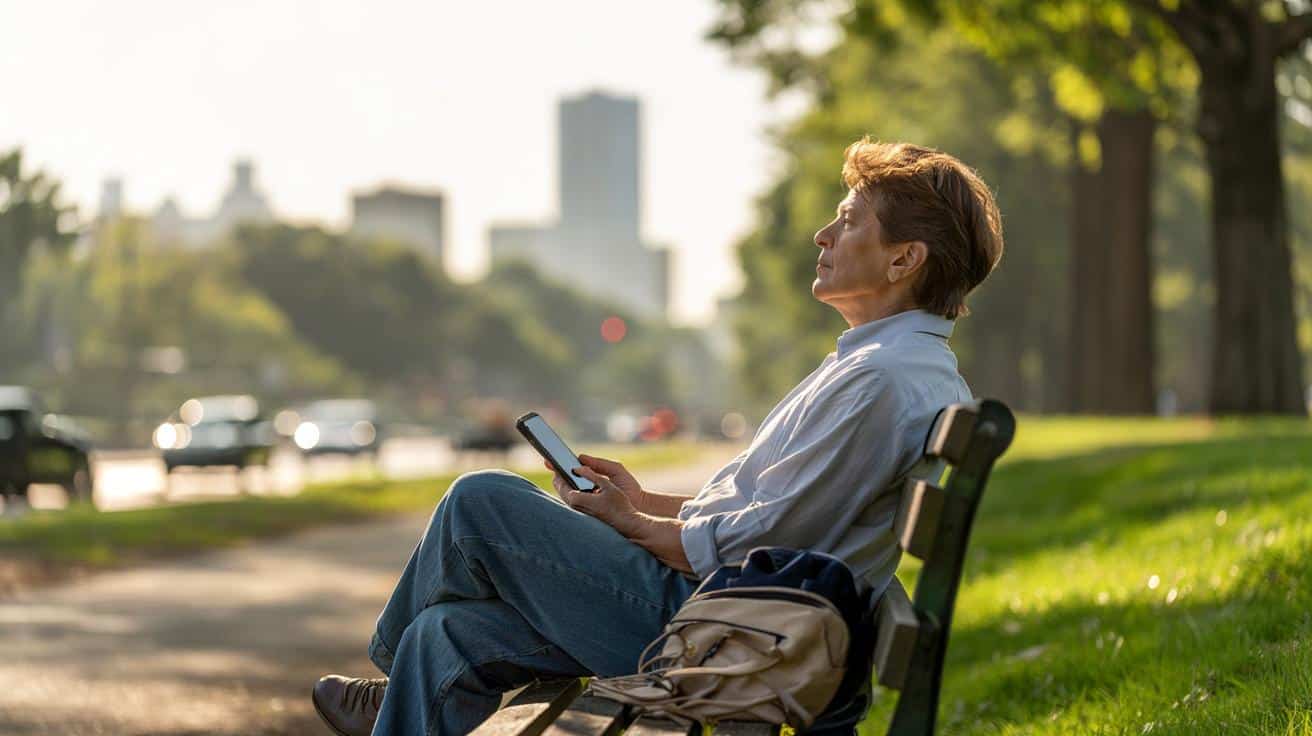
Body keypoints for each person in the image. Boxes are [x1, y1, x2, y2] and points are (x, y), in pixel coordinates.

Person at [310, 138, 1005, 736]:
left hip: (721, 632)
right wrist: (645, 501)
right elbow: (762, 512)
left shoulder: (880, 380)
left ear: (902, 260)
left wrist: (630, 523)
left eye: (849, 223)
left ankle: (383, 685)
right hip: (740, 616)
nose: (823, 235)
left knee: (479, 502)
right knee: (447, 636)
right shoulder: (886, 365)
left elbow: (747, 544)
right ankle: (395, 692)